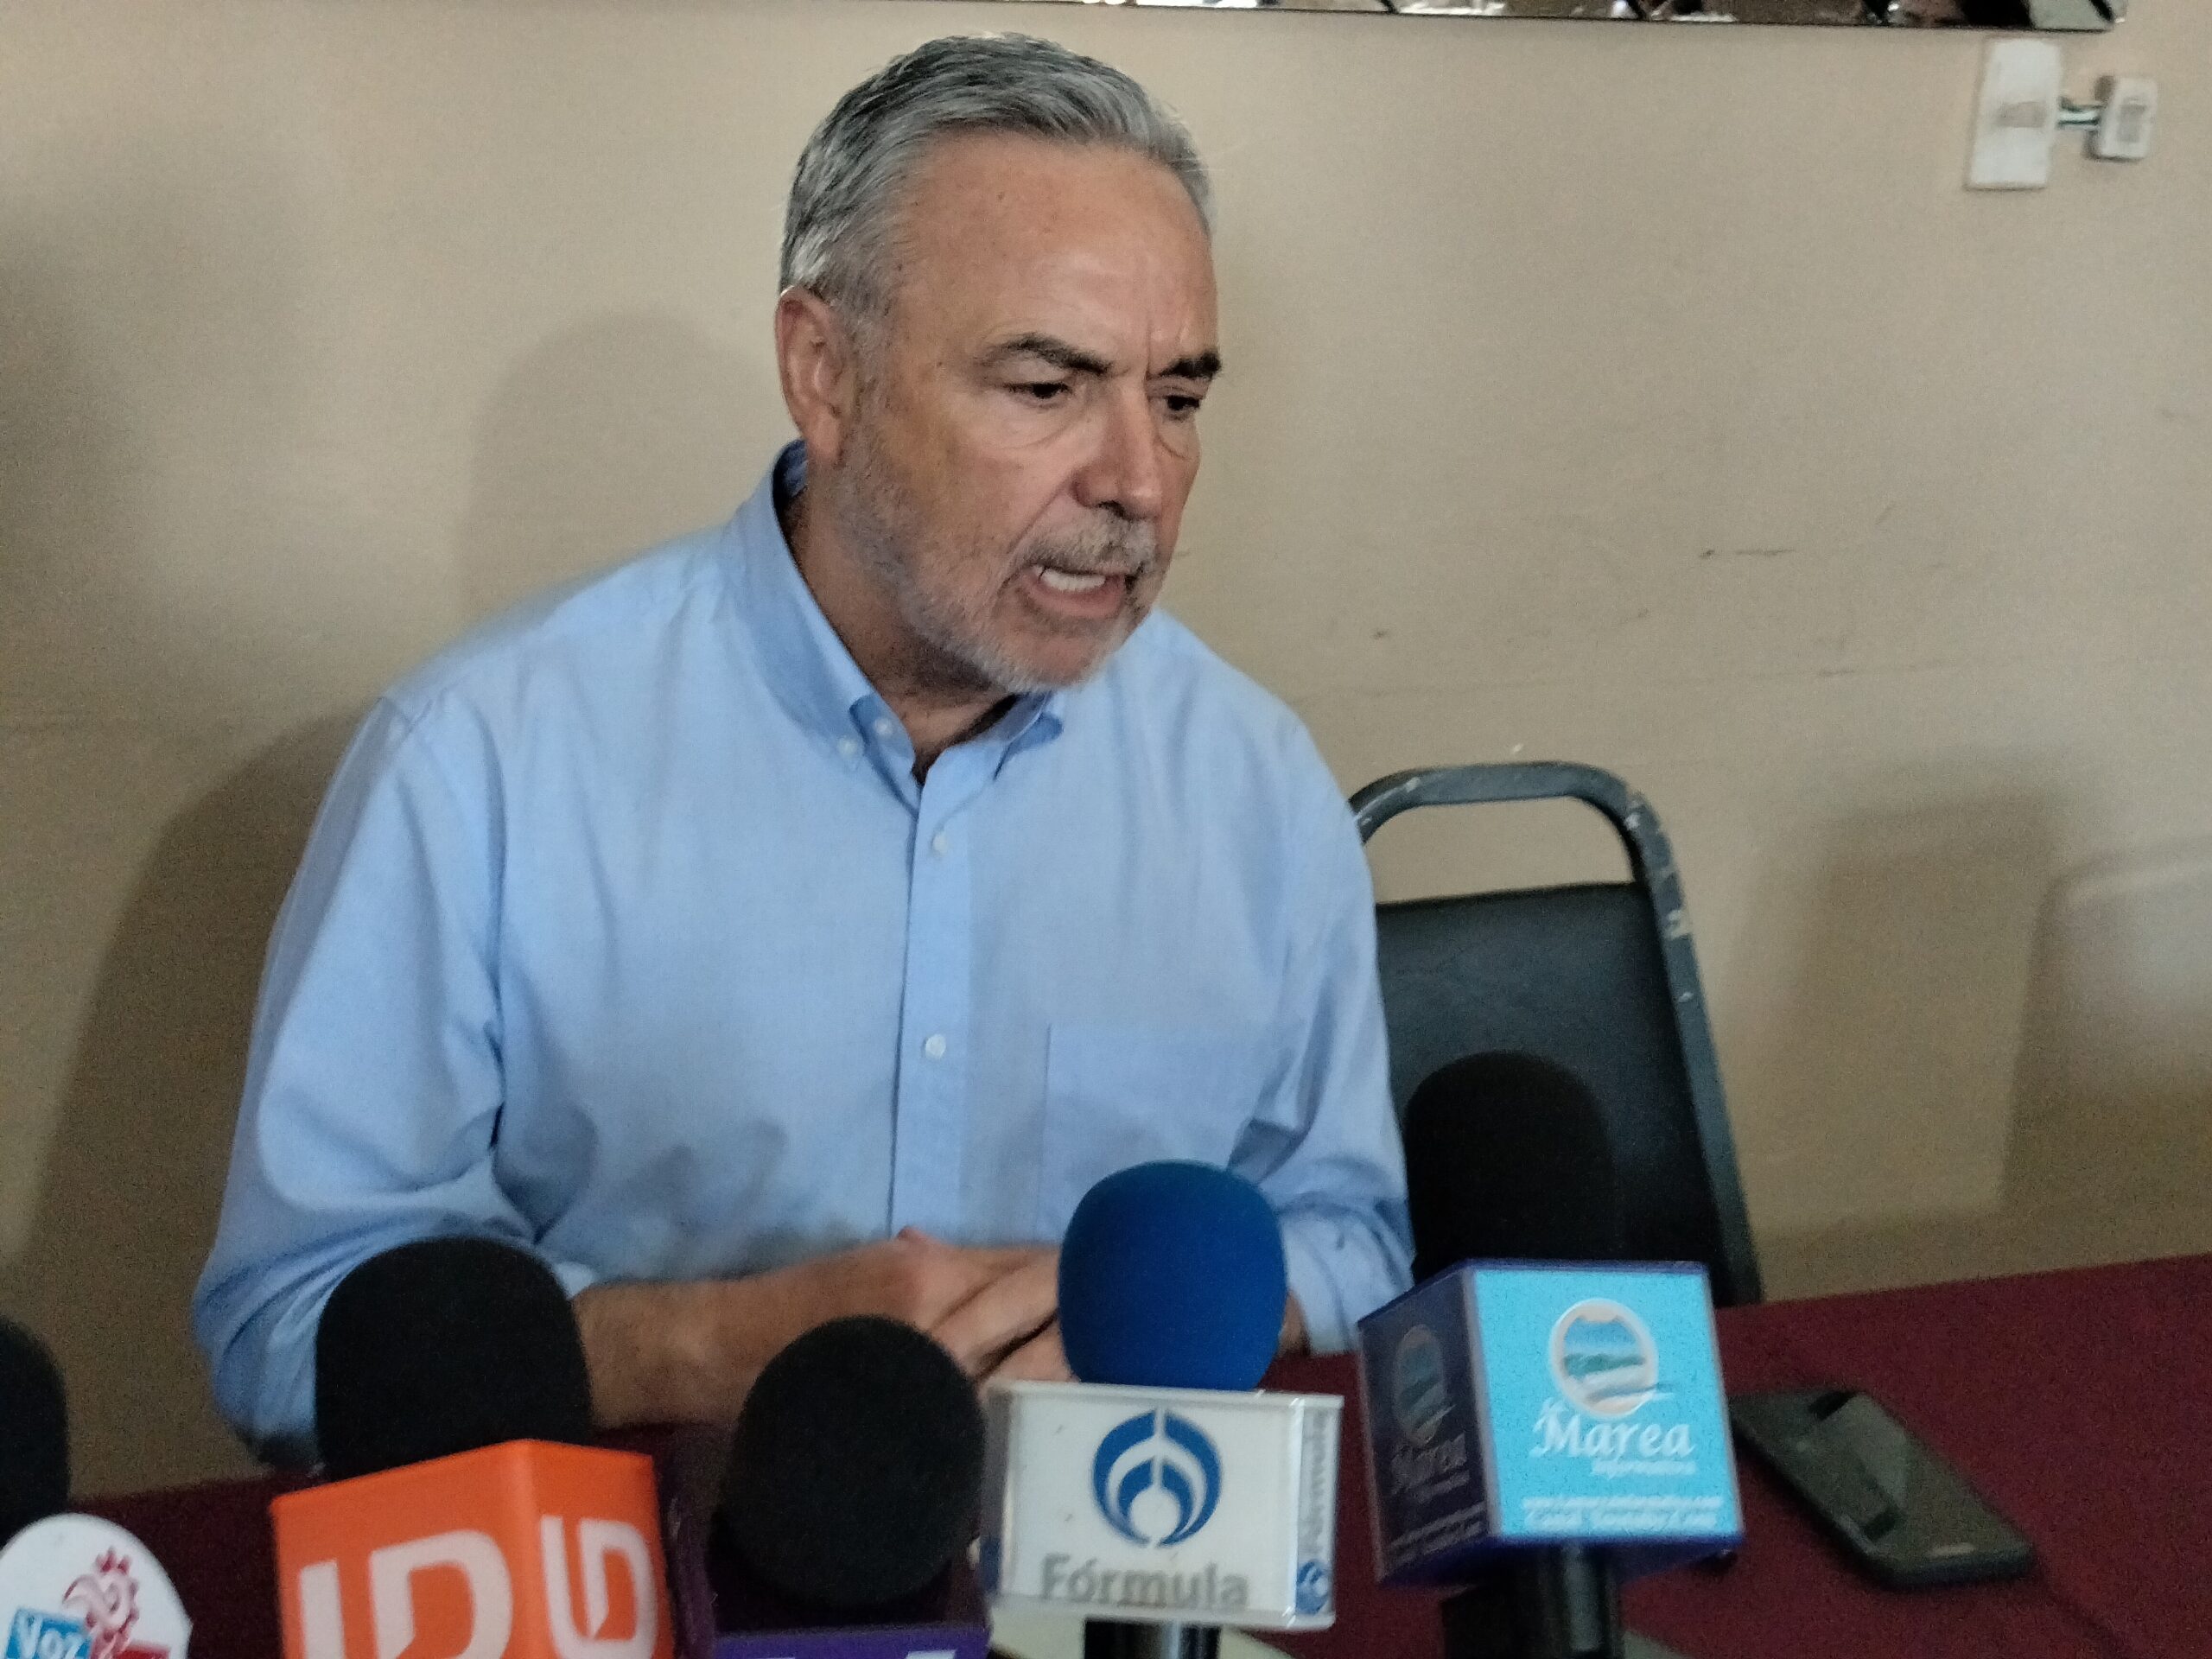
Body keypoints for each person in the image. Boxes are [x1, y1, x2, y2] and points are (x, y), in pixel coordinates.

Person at [194, 33, 1411, 1461]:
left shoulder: (1256, 786)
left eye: (1180, 400)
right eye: (1046, 388)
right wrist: (711, 1347)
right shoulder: (481, 762)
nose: (1139, 481)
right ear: (825, 375)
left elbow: (1351, 1236)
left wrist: (1157, 1312)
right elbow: (293, 1324)